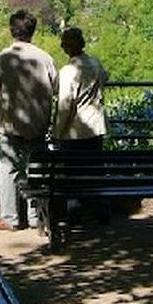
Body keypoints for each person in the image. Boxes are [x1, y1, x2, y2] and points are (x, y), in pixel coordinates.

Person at [0, 9, 57, 230]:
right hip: (39, 123)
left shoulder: (3, 58)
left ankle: (10, 218)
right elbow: (56, 87)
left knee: (8, 169)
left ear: (11, 30)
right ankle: (36, 217)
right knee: (37, 169)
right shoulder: (45, 58)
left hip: (10, 123)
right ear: (32, 31)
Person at [52, 26, 110, 225]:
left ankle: (75, 216)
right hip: (96, 127)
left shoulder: (68, 71)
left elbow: (65, 105)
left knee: (73, 176)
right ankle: (100, 213)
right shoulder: (95, 63)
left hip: (75, 132)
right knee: (95, 172)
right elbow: (105, 76)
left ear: (67, 47)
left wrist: (57, 132)